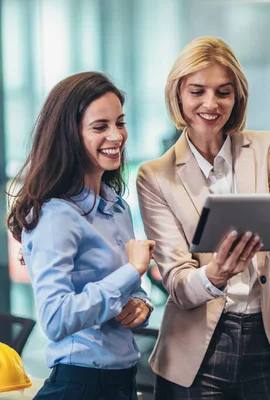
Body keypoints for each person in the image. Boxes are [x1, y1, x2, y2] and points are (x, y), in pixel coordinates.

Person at [136, 36, 270, 399]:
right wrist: (214, 274)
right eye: (197, 91)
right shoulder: (155, 175)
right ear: (178, 96)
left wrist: (269, 229)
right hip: (197, 347)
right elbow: (177, 284)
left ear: (237, 98)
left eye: (223, 92)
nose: (211, 103)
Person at [6, 72, 156, 400]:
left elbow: (129, 289)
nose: (116, 135)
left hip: (122, 382)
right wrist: (132, 271)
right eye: (100, 126)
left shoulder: (116, 207)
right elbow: (55, 318)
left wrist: (141, 302)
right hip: (80, 385)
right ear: (69, 135)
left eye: (120, 122)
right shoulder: (56, 213)